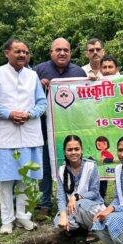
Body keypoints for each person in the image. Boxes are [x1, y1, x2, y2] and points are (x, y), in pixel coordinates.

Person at [0, 38, 46, 234]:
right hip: (6, 135)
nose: (22, 55)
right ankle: (7, 220)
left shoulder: (33, 75)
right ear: (7, 53)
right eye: (18, 51)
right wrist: (9, 114)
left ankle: (23, 216)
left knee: (27, 178)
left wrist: (29, 114)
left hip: (29, 133)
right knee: (6, 180)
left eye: (25, 52)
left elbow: (42, 102)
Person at [35, 37, 86, 214]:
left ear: (70, 52)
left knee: (73, 161)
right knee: (46, 162)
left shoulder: (79, 72)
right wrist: (40, 86)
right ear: (51, 52)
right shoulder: (39, 70)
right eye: (58, 50)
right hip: (45, 126)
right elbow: (29, 96)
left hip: (71, 125)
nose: (62, 53)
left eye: (66, 50)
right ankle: (45, 202)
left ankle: (76, 198)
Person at [55, 135, 105, 237]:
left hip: (90, 206)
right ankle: (80, 226)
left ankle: (93, 230)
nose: (73, 152)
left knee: (81, 206)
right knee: (57, 222)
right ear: (64, 152)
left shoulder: (91, 166)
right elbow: (61, 198)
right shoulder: (61, 170)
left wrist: (75, 197)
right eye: (69, 150)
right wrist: (63, 216)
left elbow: (94, 193)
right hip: (72, 209)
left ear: (81, 150)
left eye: (76, 149)